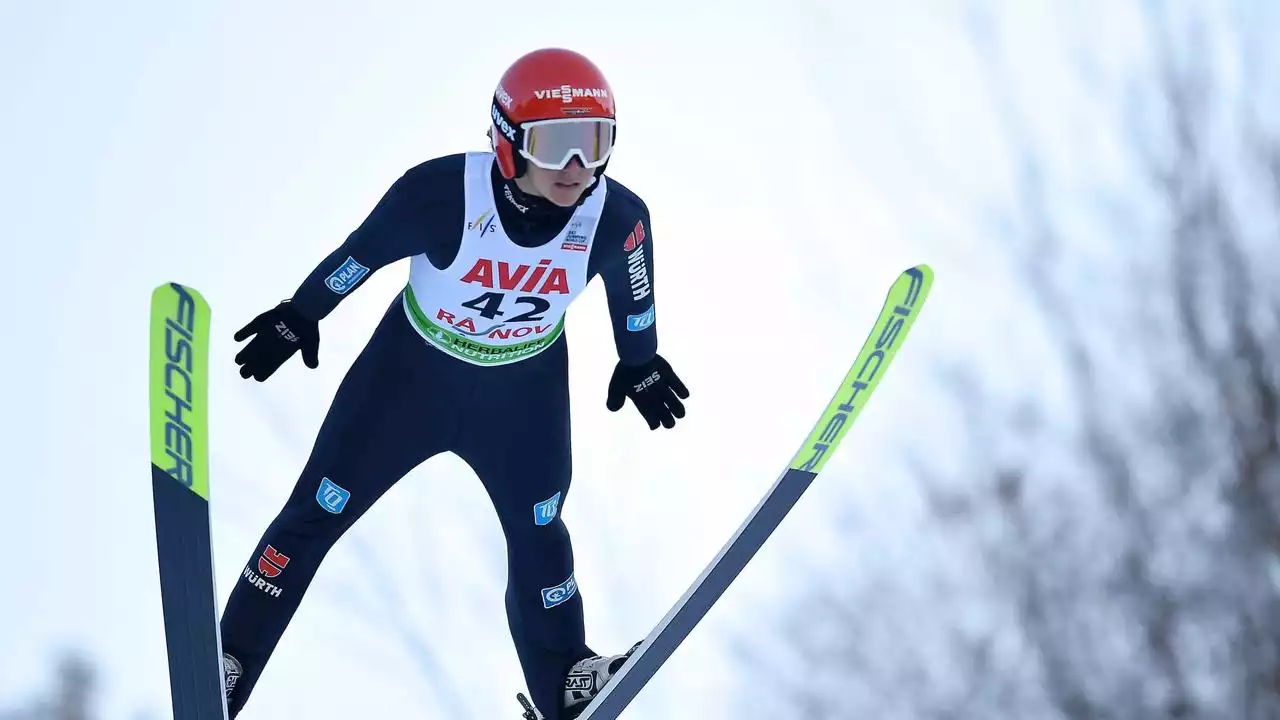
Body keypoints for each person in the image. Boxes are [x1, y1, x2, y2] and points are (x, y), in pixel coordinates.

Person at [216, 47, 689, 719]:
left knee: (541, 533)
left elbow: (633, 296)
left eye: (594, 142)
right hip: (409, 381)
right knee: (315, 513)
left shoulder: (616, 218)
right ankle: (230, 662)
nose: (578, 168)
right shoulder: (439, 195)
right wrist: (300, 314)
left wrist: (640, 359)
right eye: (557, 146)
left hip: (522, 395)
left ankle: (567, 678)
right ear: (507, 143)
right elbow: (359, 256)